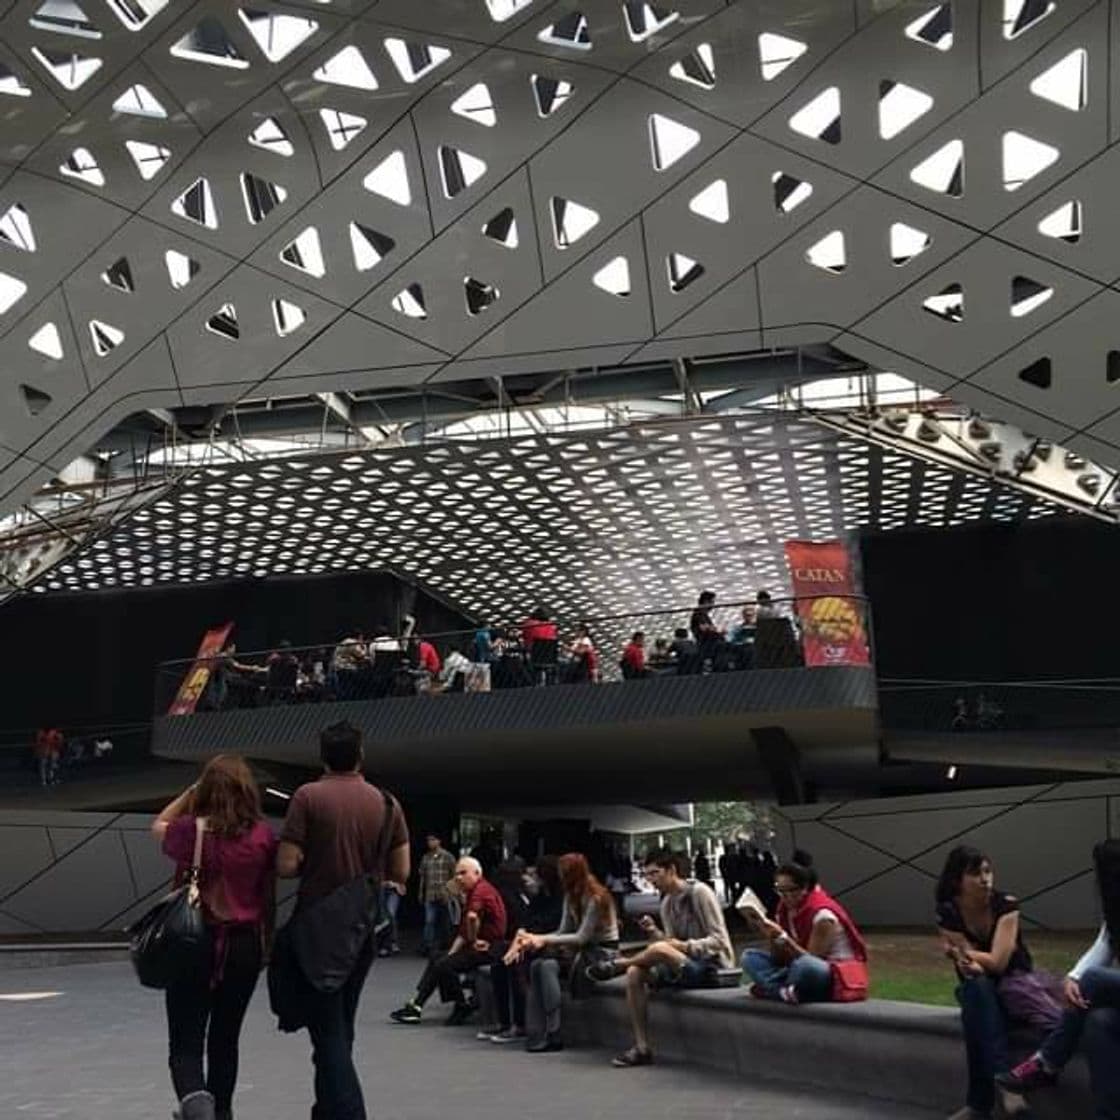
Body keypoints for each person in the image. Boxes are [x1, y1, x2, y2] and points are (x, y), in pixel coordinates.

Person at [277, 721, 410, 1120]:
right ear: (361, 755)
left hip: (317, 927)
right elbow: (401, 872)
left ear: (322, 757)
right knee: (340, 1025)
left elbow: (286, 864)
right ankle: (327, 1111)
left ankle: (349, 1113)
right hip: (361, 929)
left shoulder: (308, 797)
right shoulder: (387, 804)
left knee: (328, 1032)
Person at [152, 756, 278, 1120]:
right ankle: (222, 1111)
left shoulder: (192, 830)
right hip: (243, 946)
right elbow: (269, 889)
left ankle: (195, 1100)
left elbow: (158, 824)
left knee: (186, 1040)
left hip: (193, 942)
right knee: (226, 1038)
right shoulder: (262, 835)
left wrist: (192, 792)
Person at [997, 839, 1120, 1111]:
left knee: (1095, 980)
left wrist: (1082, 979)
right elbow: (1104, 944)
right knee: (1099, 1022)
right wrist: (1074, 977)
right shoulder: (1115, 910)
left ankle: (1047, 1062)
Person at [585, 849, 733, 1068]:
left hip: (713, 968)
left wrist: (682, 945)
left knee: (658, 950)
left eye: (654, 873)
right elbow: (670, 943)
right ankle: (642, 1046)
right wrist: (655, 932)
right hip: (683, 965)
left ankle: (618, 965)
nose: (650, 880)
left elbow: (719, 940)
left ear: (672, 870)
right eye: (647, 875)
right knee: (635, 972)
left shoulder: (700, 892)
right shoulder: (666, 903)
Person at [936, 846, 1045, 1120]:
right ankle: (1005, 1086)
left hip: (1016, 989)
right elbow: (969, 968)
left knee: (975, 1011)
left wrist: (959, 952)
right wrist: (964, 958)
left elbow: (998, 962)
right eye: (975, 873)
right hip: (980, 987)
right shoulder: (948, 911)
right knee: (977, 991)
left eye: (988, 871)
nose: (985, 879)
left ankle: (979, 1104)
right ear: (957, 880)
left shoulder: (1006, 905)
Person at [504, 852, 620, 1052]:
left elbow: (581, 937)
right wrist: (536, 939)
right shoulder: (570, 895)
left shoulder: (596, 898)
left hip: (600, 952)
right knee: (538, 964)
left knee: (547, 966)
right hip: (579, 950)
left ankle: (554, 1030)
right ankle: (539, 1028)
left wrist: (542, 939)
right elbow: (563, 931)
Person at [389, 856, 506, 1025]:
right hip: (480, 945)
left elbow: (472, 918)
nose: (459, 877)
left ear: (477, 873)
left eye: (464, 873)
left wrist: (472, 941)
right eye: (457, 873)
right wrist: (453, 952)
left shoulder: (480, 892)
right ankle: (417, 1005)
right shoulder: (473, 890)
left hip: (489, 948)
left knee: (444, 964)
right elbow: (462, 928)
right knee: (439, 957)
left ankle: (459, 1004)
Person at [742, 858, 868, 1005]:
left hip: (831, 972)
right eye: (780, 890)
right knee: (749, 957)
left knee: (804, 966)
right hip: (793, 967)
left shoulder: (823, 915)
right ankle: (785, 991)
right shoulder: (783, 911)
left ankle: (773, 988)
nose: (785, 896)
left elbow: (812, 959)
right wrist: (771, 936)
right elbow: (778, 959)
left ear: (805, 888)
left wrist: (784, 938)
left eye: (791, 890)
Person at [417, 833, 457, 955]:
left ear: (439, 841)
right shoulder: (426, 858)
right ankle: (427, 946)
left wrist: (452, 892)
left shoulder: (448, 857)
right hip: (430, 893)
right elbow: (423, 877)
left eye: (432, 840)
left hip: (444, 894)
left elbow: (454, 876)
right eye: (428, 840)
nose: (430, 842)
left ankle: (447, 945)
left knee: (447, 921)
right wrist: (420, 892)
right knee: (429, 920)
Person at [689, 590, 727, 671]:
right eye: (712, 602)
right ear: (706, 602)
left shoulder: (703, 614)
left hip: (708, 645)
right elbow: (704, 628)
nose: (713, 605)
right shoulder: (699, 613)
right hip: (707, 645)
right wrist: (718, 631)